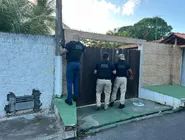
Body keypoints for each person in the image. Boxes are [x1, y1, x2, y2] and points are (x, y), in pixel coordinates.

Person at [60, 34, 86, 105]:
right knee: (75, 82)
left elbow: (61, 52)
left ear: (73, 38)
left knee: (69, 82)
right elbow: (83, 50)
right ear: (78, 38)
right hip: (78, 64)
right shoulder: (81, 45)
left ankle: (69, 100)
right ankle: (75, 97)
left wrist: (61, 46)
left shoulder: (70, 44)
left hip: (71, 64)